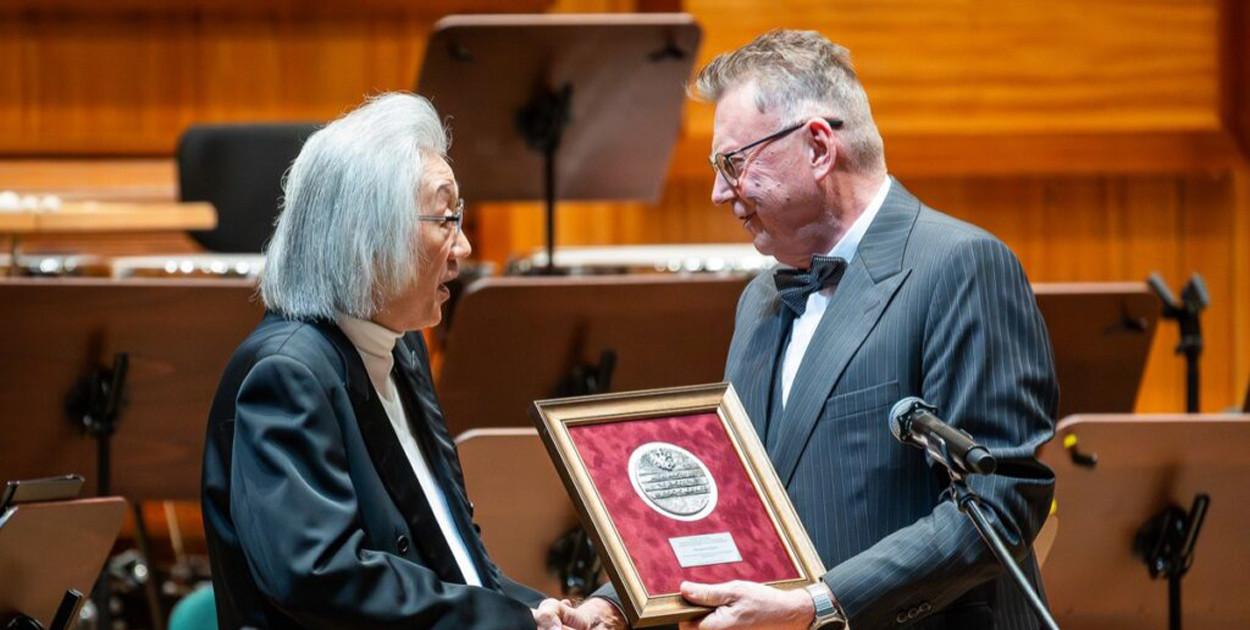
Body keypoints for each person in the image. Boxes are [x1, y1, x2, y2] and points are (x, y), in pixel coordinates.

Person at [575, 29, 1058, 630]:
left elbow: (999, 504)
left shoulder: (960, 266)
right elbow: (733, 502)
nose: (719, 192)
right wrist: (614, 603)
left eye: (733, 163)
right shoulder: (760, 300)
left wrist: (818, 605)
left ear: (818, 147)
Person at [201, 93, 580, 630]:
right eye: (445, 219)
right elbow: (321, 576)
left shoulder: (400, 345)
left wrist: (532, 610)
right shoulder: (287, 373)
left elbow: (447, 549)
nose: (464, 247)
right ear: (369, 235)